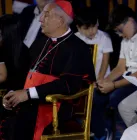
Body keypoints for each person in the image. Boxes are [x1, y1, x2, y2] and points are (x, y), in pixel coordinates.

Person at [0, 1, 95, 140]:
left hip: (56, 105)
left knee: (16, 122)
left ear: (60, 20)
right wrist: (12, 93)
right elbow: (24, 73)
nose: (40, 19)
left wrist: (28, 93)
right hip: (32, 102)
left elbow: (68, 84)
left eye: (46, 14)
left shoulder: (77, 48)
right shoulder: (41, 42)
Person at [90, 4, 137, 139]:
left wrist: (114, 85)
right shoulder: (125, 40)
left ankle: (133, 132)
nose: (121, 35)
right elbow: (120, 67)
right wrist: (105, 80)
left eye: (120, 30)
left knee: (114, 97)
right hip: (126, 76)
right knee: (97, 93)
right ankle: (102, 132)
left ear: (130, 21)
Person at [75, 7, 113, 81]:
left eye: (93, 27)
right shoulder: (75, 38)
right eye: (86, 29)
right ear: (78, 28)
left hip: (102, 78)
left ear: (97, 23)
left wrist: (100, 79)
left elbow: (105, 61)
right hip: (83, 80)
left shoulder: (104, 37)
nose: (90, 31)